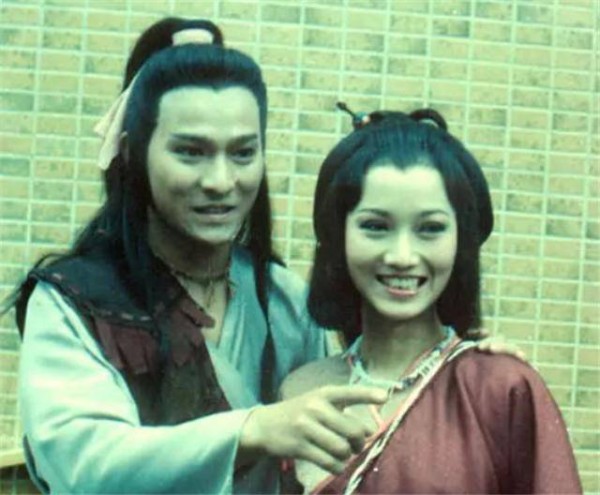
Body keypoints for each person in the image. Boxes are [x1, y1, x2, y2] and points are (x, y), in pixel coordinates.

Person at [11, 18, 388, 494]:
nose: (220, 181)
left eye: (243, 153)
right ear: (132, 153)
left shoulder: (285, 301)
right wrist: (253, 429)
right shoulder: (74, 302)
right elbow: (87, 466)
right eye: (191, 152)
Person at [280, 106, 582, 493]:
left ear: (461, 241)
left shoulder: (499, 389)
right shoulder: (300, 391)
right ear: (338, 235)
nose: (402, 256)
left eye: (430, 228)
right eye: (375, 226)